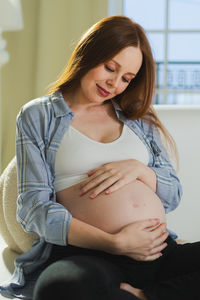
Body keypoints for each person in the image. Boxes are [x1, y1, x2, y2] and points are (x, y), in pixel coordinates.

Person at [1, 15, 200, 300]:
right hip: (90, 255)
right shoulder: (39, 115)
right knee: (59, 288)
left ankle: (144, 296)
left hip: (155, 249)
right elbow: (34, 208)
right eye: (110, 68)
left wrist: (139, 170)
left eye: (126, 78)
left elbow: (173, 194)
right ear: (89, 52)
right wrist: (114, 242)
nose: (115, 84)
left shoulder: (138, 119)